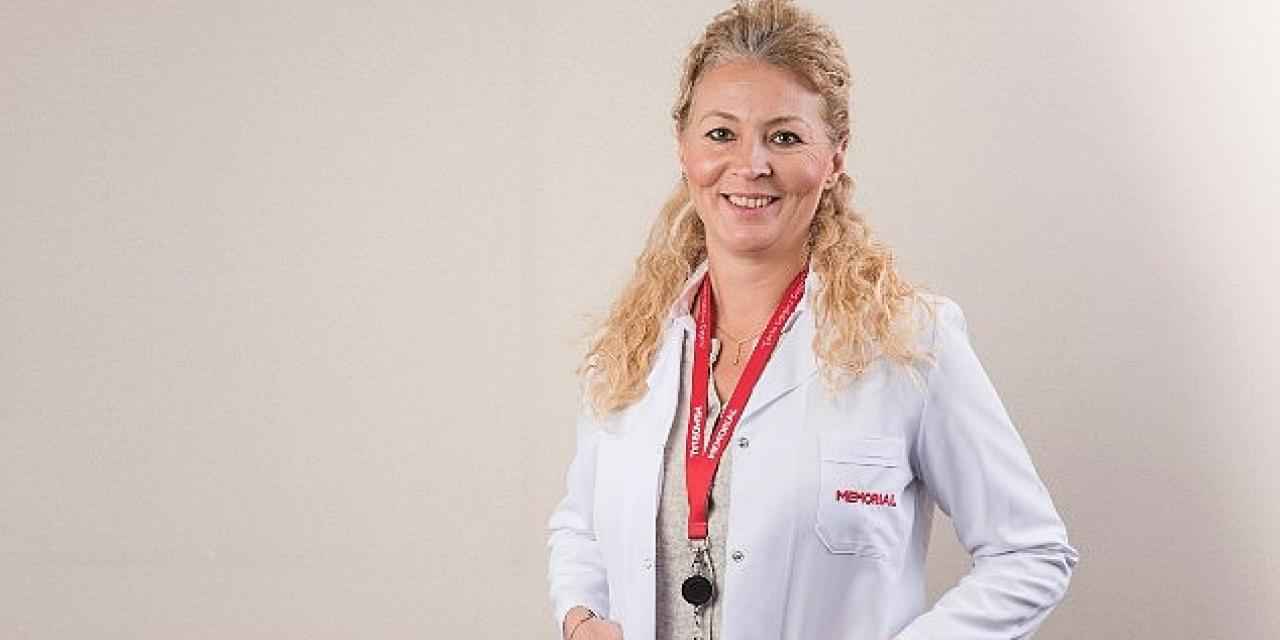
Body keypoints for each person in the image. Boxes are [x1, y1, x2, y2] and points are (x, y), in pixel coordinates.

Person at [546, 1, 1079, 638]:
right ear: (684, 150)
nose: (751, 165)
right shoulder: (634, 346)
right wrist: (580, 618)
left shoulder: (907, 342)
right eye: (721, 134)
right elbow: (580, 526)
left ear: (834, 157)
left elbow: (1029, 552)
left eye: (785, 137)